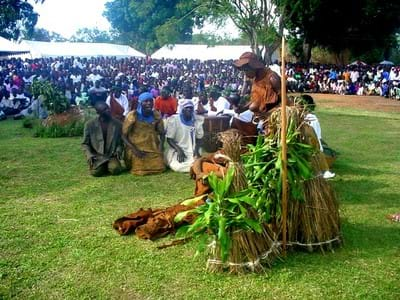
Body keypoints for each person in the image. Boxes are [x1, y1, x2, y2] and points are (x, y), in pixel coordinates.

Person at [122, 92, 165, 175]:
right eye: (145, 101)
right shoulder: (132, 116)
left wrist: (161, 146)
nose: (148, 103)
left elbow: (162, 133)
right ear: (140, 103)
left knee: (160, 167)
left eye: (150, 101)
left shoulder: (156, 115)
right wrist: (134, 150)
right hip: (136, 148)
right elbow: (124, 136)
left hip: (152, 148)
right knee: (139, 169)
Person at [81, 102, 123, 177]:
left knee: (115, 170)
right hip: (97, 155)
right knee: (96, 173)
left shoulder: (117, 124)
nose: (108, 111)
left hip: (111, 155)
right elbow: (85, 144)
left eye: (108, 108)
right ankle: (102, 166)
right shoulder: (90, 125)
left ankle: (109, 165)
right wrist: (89, 155)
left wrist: (118, 150)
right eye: (105, 109)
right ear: (98, 112)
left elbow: (121, 142)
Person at [165, 99, 204, 172]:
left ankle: (195, 165)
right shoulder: (174, 120)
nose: (189, 109)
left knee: (197, 162)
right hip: (178, 150)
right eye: (186, 108)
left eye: (191, 108)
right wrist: (179, 150)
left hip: (193, 150)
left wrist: (196, 150)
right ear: (182, 109)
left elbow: (200, 139)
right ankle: (194, 166)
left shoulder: (197, 120)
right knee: (177, 167)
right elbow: (169, 139)